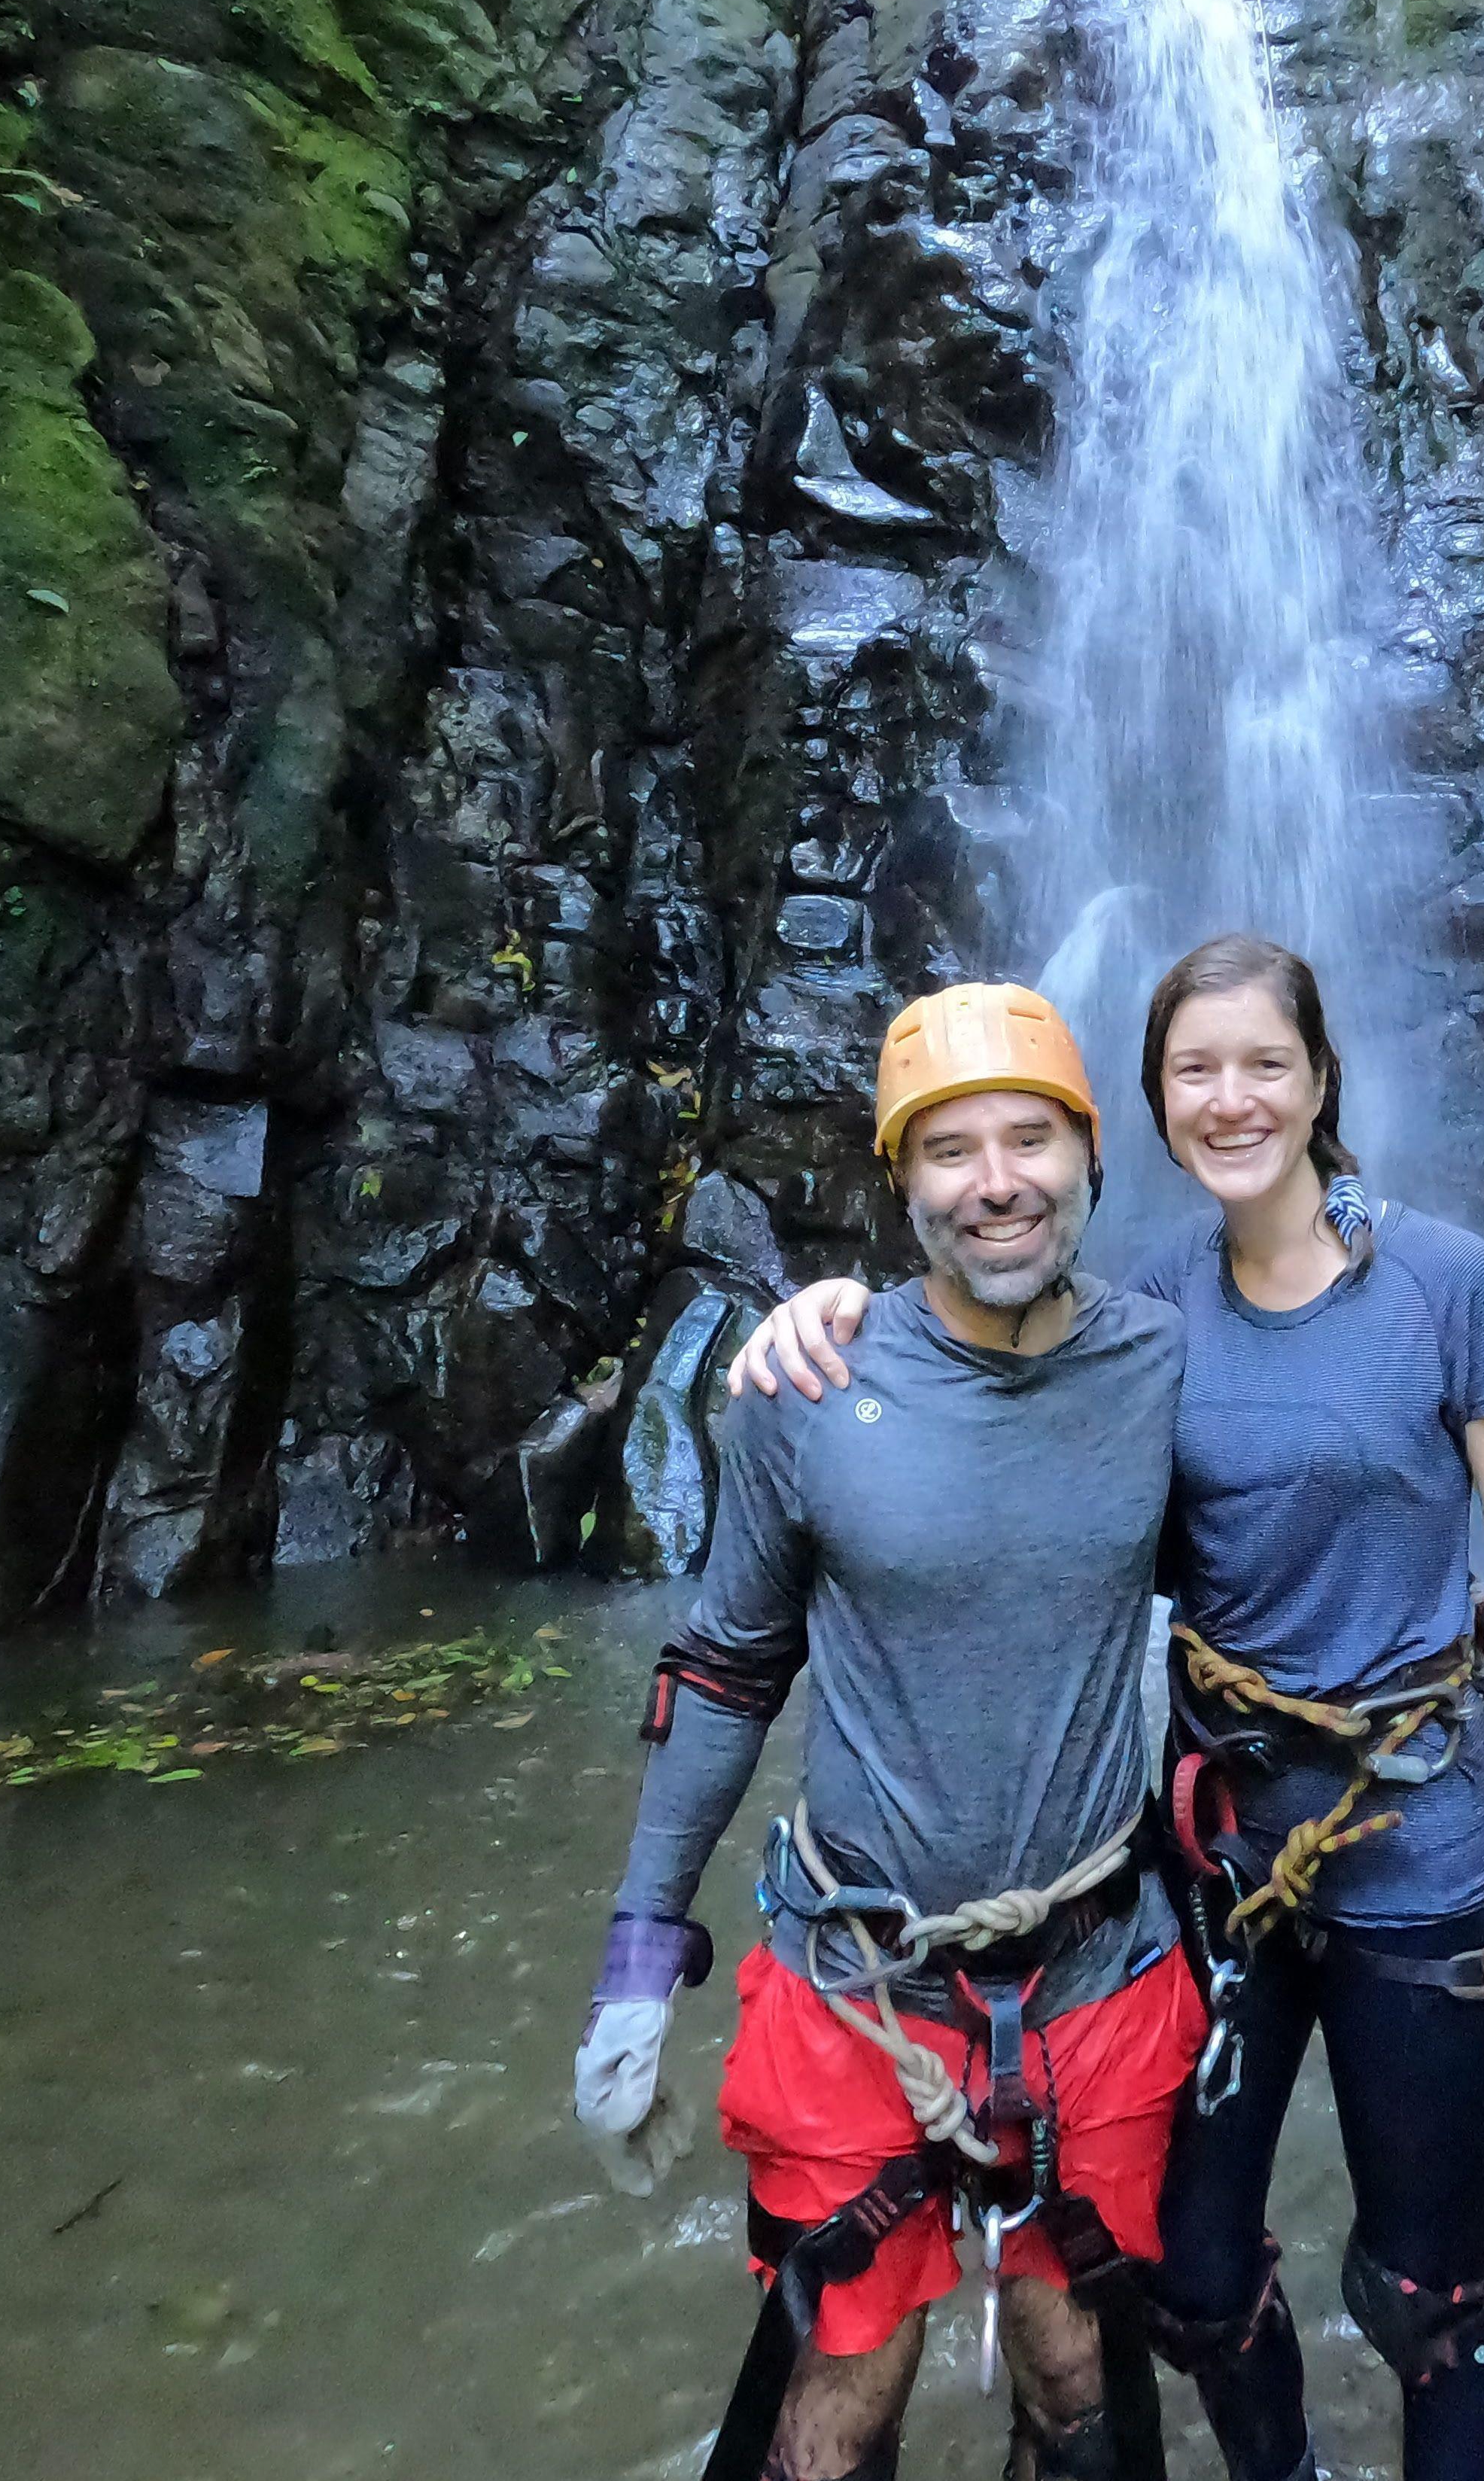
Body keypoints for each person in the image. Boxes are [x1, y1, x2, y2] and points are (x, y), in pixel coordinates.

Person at [727, 933, 1484, 2481]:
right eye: (1192, 1071)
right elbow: (983, 1401)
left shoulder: (1449, 1285)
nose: (1231, 1099)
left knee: (1424, 2293)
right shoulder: (1146, 1315)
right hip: (1220, 1869)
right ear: (1150, 1106)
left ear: (1320, 1077)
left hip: (1423, 1857)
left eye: (1263, 1063)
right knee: (1193, 2280)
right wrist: (827, 1318)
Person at [574, 982, 1205, 2481]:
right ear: (901, 1184)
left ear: (1092, 1155)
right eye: (951, 1150)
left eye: (1032, 1138)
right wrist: (637, 1959)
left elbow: (1322, 1311)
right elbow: (727, 1671)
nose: (998, 1180)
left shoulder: (1174, 1365)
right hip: (858, 1982)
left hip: (1098, 1971)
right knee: (845, 2385)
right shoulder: (810, 1384)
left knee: (1076, 2371)